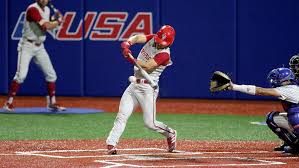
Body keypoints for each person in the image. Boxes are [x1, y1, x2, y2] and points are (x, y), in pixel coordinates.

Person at [106, 25, 177, 155]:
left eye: (162, 43)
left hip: (148, 89)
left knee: (150, 123)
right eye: (158, 41)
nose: (159, 44)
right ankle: (111, 143)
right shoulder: (154, 39)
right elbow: (138, 37)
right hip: (134, 85)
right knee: (122, 115)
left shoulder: (165, 55)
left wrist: (130, 57)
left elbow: (148, 66)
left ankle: (170, 133)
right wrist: (128, 43)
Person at [3, 0, 66, 112]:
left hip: (39, 47)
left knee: (51, 75)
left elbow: (48, 23)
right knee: (21, 76)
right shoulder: (32, 9)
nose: (43, 0)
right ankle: (8, 103)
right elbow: (44, 26)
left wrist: (54, 20)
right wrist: (58, 21)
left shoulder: (46, 9)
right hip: (27, 45)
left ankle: (52, 103)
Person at [227, 67, 299, 154]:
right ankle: (293, 142)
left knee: (275, 117)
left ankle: (296, 146)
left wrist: (234, 86)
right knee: (287, 114)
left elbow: (260, 91)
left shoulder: (288, 89)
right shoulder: (295, 88)